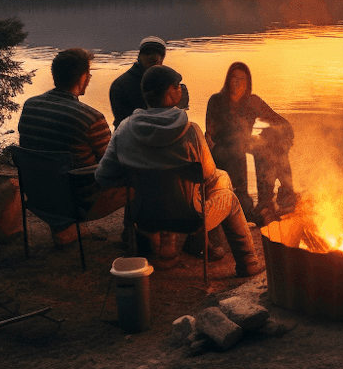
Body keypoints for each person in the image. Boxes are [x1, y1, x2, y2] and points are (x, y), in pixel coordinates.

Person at [95, 64, 263, 276]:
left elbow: (104, 176)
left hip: (143, 216)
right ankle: (248, 263)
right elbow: (208, 177)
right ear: (170, 93)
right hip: (189, 219)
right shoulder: (190, 131)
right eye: (177, 86)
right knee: (226, 190)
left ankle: (169, 246)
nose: (181, 89)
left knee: (205, 179)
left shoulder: (124, 130)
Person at [17, 47, 128, 246]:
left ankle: (64, 230)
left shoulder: (30, 106)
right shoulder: (91, 118)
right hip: (78, 204)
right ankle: (136, 238)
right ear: (83, 77)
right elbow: (111, 167)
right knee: (135, 178)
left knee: (58, 168)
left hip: (37, 196)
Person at [205, 61, 296, 224]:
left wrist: (285, 137)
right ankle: (240, 202)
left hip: (244, 144)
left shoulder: (252, 101)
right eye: (234, 77)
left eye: (242, 78)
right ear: (228, 80)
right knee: (237, 151)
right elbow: (209, 134)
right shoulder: (217, 101)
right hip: (223, 150)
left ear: (248, 83)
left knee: (270, 141)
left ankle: (271, 198)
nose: (238, 82)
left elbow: (280, 121)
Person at [109, 36, 189, 128]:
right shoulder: (120, 85)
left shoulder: (174, 84)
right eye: (147, 53)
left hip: (163, 134)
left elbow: (179, 118)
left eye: (156, 53)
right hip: (131, 135)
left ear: (162, 57)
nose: (151, 56)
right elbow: (122, 121)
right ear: (139, 56)